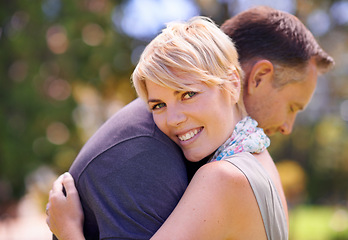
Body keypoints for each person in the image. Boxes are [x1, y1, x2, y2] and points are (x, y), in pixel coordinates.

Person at [46, 6, 334, 240]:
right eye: (158, 105)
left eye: (188, 94)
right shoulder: (261, 162)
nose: (172, 119)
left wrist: (69, 229)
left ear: (233, 83)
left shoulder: (221, 179)